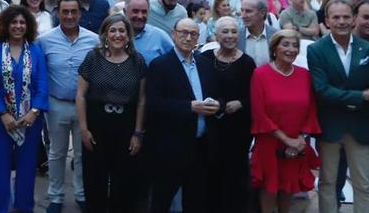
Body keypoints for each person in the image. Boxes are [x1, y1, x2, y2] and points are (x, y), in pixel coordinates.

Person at [307, 0, 369, 213]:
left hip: (361, 126)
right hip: (331, 126)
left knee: (363, 185)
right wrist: (362, 97)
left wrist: (353, 97)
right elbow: (321, 90)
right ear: (327, 21)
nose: (341, 21)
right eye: (336, 17)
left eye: (346, 17)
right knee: (328, 183)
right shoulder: (316, 50)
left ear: (353, 19)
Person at [76, 14, 147, 213]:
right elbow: (81, 95)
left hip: (126, 123)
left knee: (124, 179)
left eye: (122, 31)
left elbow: (142, 99)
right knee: (94, 176)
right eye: (113, 31)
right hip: (97, 122)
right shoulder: (93, 57)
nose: (117, 35)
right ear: (105, 34)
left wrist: (138, 133)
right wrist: (83, 129)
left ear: (128, 35)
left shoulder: (137, 60)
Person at [145, 18, 217, 213]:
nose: (188, 37)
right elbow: (154, 104)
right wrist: (189, 107)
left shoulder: (204, 63)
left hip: (200, 146)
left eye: (193, 34)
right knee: (162, 199)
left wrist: (216, 105)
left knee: (195, 199)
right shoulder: (160, 65)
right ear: (173, 34)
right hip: (171, 146)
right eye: (183, 32)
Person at [37, 0, 99, 212]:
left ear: (80, 13)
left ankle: (81, 194)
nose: (70, 16)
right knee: (56, 152)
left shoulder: (94, 40)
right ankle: (55, 196)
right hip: (56, 104)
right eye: (65, 11)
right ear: (58, 13)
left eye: (74, 11)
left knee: (83, 152)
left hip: (85, 106)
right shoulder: (45, 41)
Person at [0, 5, 49, 213]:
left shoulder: (36, 52)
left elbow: (42, 84)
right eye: (14, 22)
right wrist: (3, 114)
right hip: (0, 121)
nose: (18, 26)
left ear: (28, 25)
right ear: (5, 25)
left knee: (27, 168)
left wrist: (34, 111)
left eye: (22, 22)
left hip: (30, 121)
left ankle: (24, 207)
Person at [249, 29, 320, 213]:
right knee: (269, 187)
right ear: (274, 49)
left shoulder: (305, 75)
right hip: (270, 141)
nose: (291, 49)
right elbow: (259, 113)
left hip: (296, 142)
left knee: (288, 186)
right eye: (286, 44)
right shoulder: (260, 74)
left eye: (295, 45)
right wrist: (287, 140)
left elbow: (311, 109)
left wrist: (299, 140)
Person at [197, 16, 256, 212]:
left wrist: (241, 103)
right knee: (209, 171)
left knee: (235, 173)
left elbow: (254, 96)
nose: (230, 36)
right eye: (225, 31)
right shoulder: (205, 59)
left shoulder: (247, 63)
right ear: (215, 34)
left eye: (233, 32)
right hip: (210, 126)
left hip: (237, 127)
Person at [123, 0, 174, 64]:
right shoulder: (115, 36)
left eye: (144, 12)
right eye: (135, 11)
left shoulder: (159, 36)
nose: (140, 16)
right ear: (125, 12)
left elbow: (176, 62)